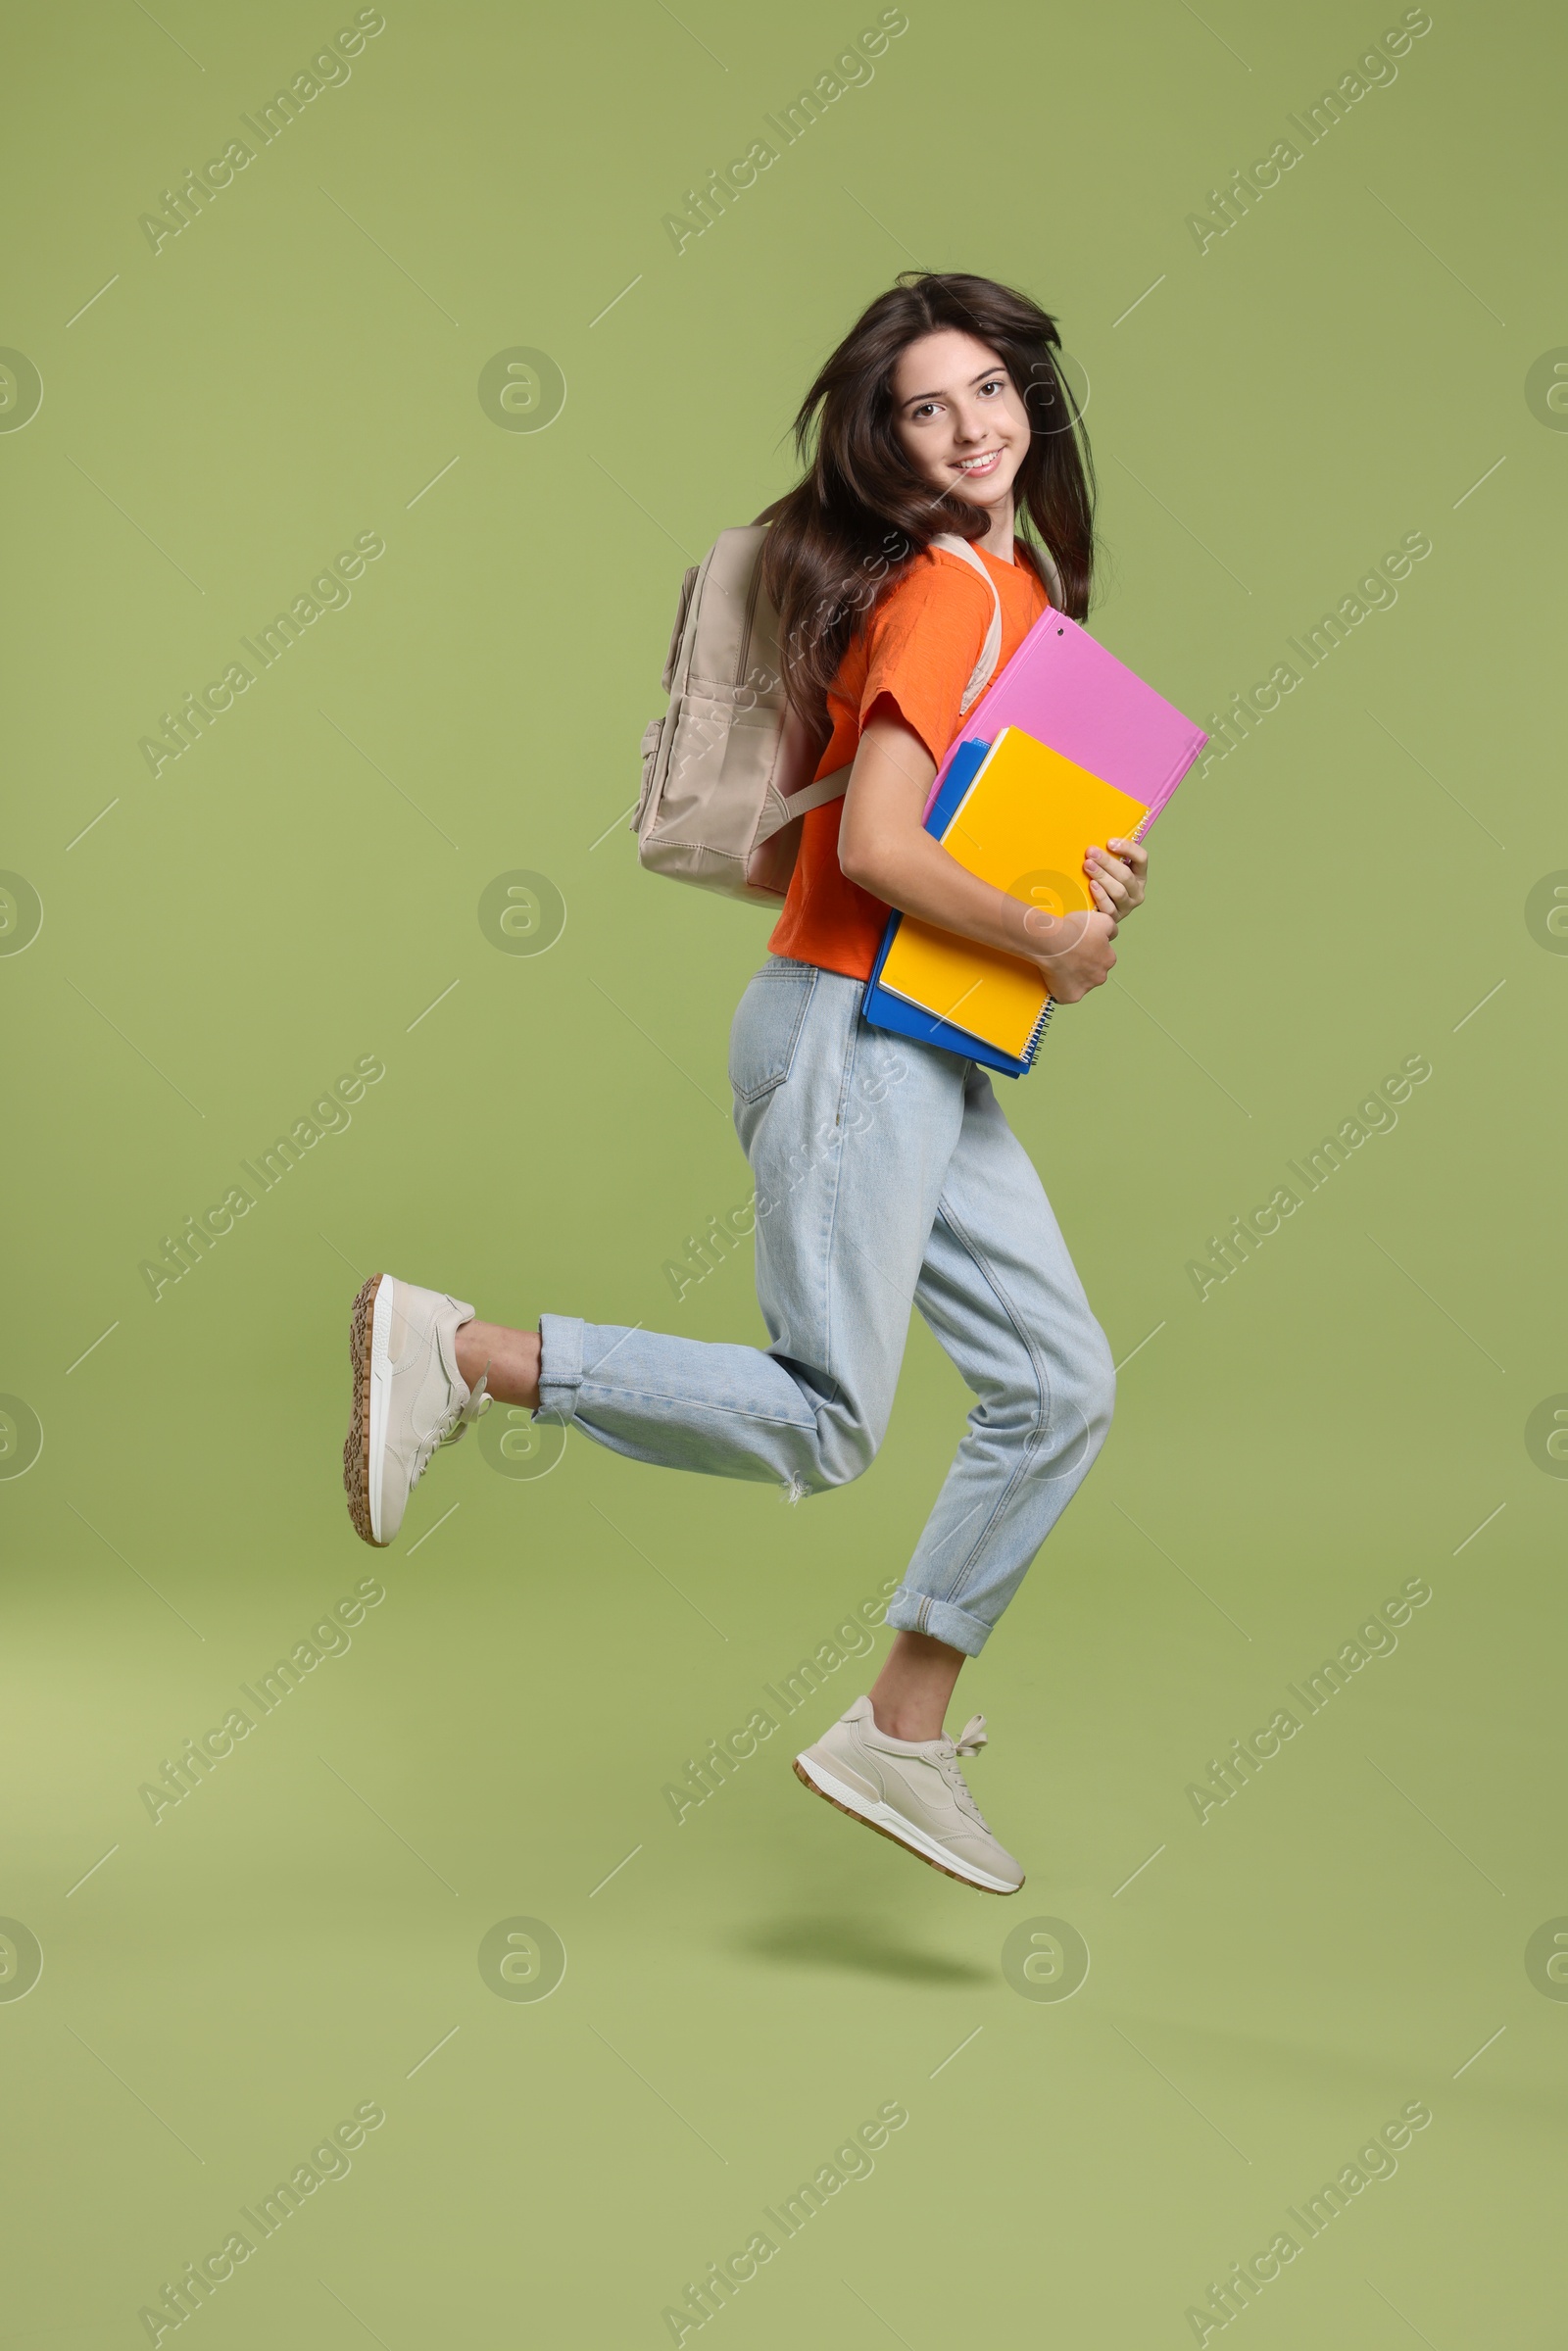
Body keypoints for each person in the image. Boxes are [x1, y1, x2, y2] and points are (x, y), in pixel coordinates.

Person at [341, 271, 1148, 1896]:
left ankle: (898, 1731)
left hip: (918, 1040)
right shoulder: (942, 593)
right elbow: (875, 846)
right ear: (889, 440)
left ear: (1029, 401)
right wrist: (1052, 949)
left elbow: (956, 835)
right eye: (929, 406)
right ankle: (463, 1350)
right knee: (825, 1421)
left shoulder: (1014, 591)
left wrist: (1077, 895)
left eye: (988, 390)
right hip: (853, 1031)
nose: (971, 425)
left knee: (1057, 1384)